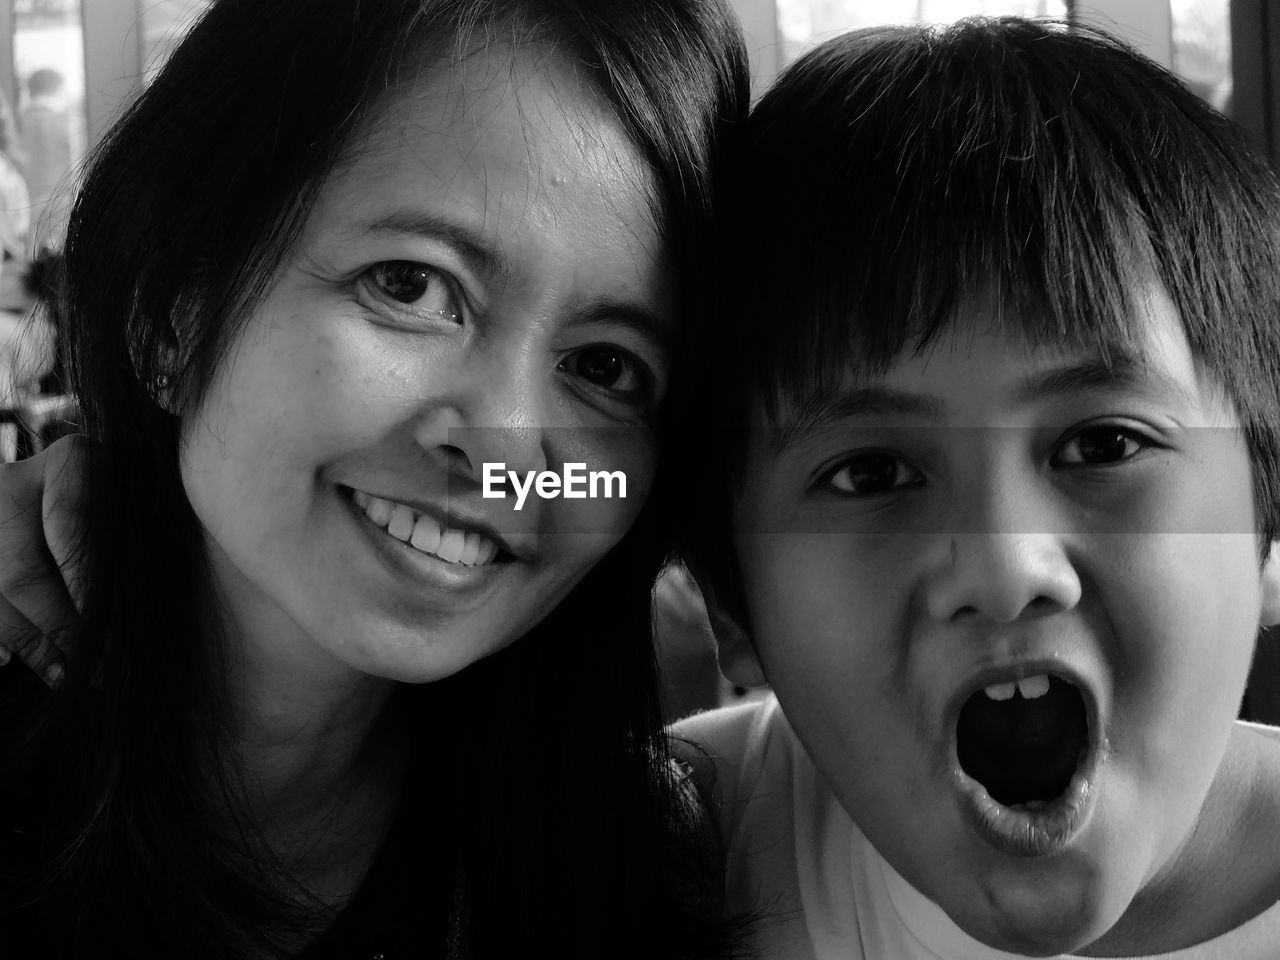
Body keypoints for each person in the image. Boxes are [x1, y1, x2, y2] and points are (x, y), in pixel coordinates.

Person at [0, 0, 749, 957]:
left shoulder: (641, 859)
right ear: (167, 313)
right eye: (412, 285)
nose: (508, 453)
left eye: (603, 368)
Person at [672, 17, 1280, 959]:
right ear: (733, 609)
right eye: (870, 473)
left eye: (1103, 443)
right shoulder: (674, 852)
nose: (1004, 571)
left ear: (1266, 528)